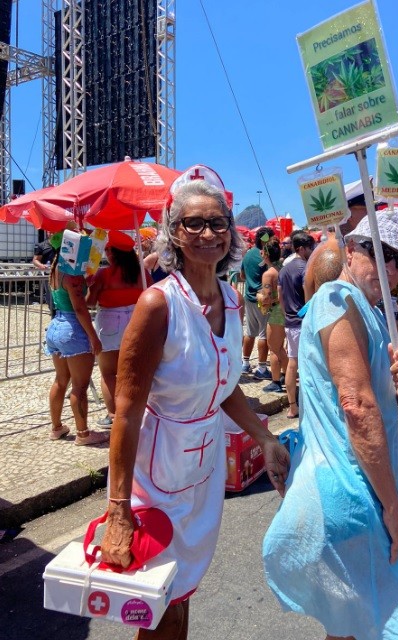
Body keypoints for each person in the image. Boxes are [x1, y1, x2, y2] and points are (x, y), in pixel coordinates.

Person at [100, 179, 289, 639]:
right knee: (157, 603)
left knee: (182, 593)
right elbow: (125, 413)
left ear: (232, 232)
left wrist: (264, 437)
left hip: (204, 474)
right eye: (194, 223)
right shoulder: (157, 305)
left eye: (218, 223)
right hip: (156, 478)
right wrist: (118, 508)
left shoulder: (229, 299)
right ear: (173, 233)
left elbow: (222, 387)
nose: (209, 233)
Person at [263, 209, 398, 640]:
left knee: (349, 626)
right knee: (395, 623)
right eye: (382, 253)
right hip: (352, 493)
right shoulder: (337, 301)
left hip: (358, 492)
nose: (392, 268)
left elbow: (392, 401)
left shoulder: (374, 311)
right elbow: (357, 407)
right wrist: (396, 510)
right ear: (353, 248)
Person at [44, 233, 109, 446]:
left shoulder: (55, 268)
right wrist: (93, 337)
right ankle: (83, 434)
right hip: (72, 328)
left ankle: (56, 428)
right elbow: (80, 308)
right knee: (80, 386)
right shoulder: (70, 273)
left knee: (61, 379)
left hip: (56, 325)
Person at [86, 231, 152, 427]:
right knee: (135, 371)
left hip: (110, 321)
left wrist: (88, 286)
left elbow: (90, 302)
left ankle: (114, 415)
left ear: (113, 253)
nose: (105, 253)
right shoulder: (142, 273)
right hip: (137, 319)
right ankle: (138, 409)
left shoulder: (103, 275)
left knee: (108, 373)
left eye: (107, 249)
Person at [278, 231, 315, 418]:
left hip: (289, 322)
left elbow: (280, 296)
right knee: (309, 365)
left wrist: (287, 315)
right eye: (310, 248)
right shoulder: (305, 268)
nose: (312, 251)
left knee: (292, 364)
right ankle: (309, 407)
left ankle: (293, 406)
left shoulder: (284, 269)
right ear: (301, 248)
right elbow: (308, 298)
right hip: (303, 323)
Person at [240, 226, 275, 379]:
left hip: (248, 296)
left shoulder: (247, 255)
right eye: (271, 238)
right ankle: (261, 368)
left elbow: (241, 275)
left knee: (250, 331)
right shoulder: (264, 255)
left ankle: (245, 363)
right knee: (263, 334)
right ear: (265, 239)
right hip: (262, 298)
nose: (274, 240)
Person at [256, 237, 288, 393]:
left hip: (275, 312)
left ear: (265, 254)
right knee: (281, 348)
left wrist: (259, 298)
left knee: (274, 349)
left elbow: (267, 298)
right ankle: (286, 375)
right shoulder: (283, 268)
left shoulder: (268, 274)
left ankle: (276, 381)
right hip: (286, 310)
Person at [33, 232, 58, 315]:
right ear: (47, 233)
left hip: (60, 273)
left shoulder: (62, 244)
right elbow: (35, 260)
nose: (52, 233)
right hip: (47, 274)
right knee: (49, 293)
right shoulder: (42, 245)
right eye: (50, 231)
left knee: (60, 292)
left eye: (54, 231)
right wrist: (41, 266)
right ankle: (53, 311)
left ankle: (60, 311)